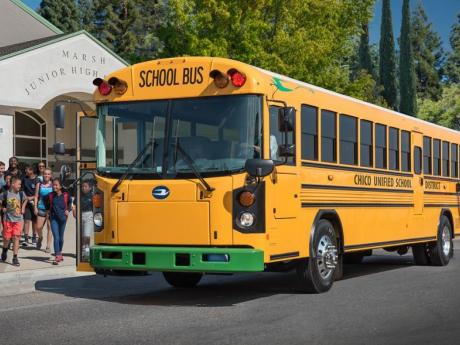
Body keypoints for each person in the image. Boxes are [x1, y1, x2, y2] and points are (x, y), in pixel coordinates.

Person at [1, 176, 27, 266]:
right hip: (8, 220)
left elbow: (26, 199)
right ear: (13, 184)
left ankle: (15, 257)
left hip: (18, 220)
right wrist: (2, 208)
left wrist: (23, 208)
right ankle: (4, 250)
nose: (20, 186)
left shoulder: (21, 194)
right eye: (19, 184)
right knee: (7, 238)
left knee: (16, 238)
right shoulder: (5, 194)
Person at [48, 178, 71, 265]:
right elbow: (47, 206)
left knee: (61, 238)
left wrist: (68, 210)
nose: (54, 186)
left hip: (63, 219)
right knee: (56, 237)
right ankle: (57, 255)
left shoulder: (66, 195)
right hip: (53, 218)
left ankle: (60, 252)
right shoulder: (50, 195)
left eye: (56, 185)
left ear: (60, 186)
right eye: (53, 185)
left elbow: (70, 204)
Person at [34, 168, 53, 253]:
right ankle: (40, 237)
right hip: (41, 208)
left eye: (48, 174)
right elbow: (36, 196)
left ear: (51, 175)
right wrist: (35, 207)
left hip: (51, 209)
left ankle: (48, 246)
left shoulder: (53, 185)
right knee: (38, 227)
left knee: (50, 228)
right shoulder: (39, 184)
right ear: (43, 175)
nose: (46, 175)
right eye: (45, 174)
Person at [73, 181, 93, 256]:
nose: (83, 188)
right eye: (82, 186)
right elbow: (74, 204)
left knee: (86, 235)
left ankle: (86, 250)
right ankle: (80, 250)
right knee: (80, 235)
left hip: (88, 215)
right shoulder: (79, 195)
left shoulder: (92, 196)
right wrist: (74, 211)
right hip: (80, 215)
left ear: (90, 188)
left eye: (85, 186)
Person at [21, 165, 39, 247]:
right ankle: (26, 238)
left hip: (35, 202)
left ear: (31, 171)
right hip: (26, 202)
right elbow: (23, 190)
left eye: (27, 170)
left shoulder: (37, 180)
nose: (25, 172)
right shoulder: (24, 179)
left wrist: (31, 198)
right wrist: (26, 198)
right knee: (26, 220)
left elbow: (37, 194)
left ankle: (34, 238)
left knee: (34, 221)